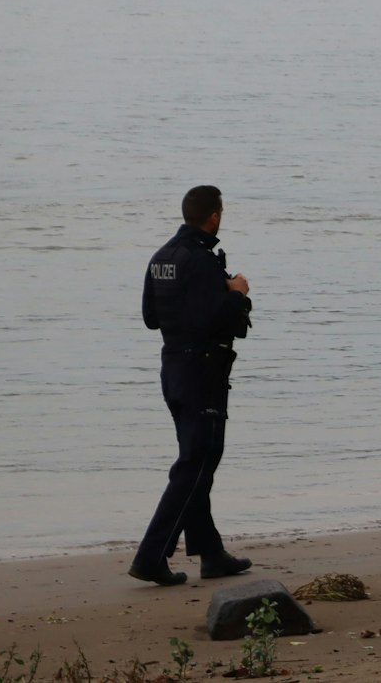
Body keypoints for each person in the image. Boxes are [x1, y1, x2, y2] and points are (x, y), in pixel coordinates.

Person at [129, 185, 255, 586]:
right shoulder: (200, 262)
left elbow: (151, 317)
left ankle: (211, 552)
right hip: (202, 371)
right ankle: (152, 556)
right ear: (214, 216)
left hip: (173, 369)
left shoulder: (161, 257)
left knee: (195, 459)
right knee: (197, 463)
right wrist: (236, 294)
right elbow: (214, 320)